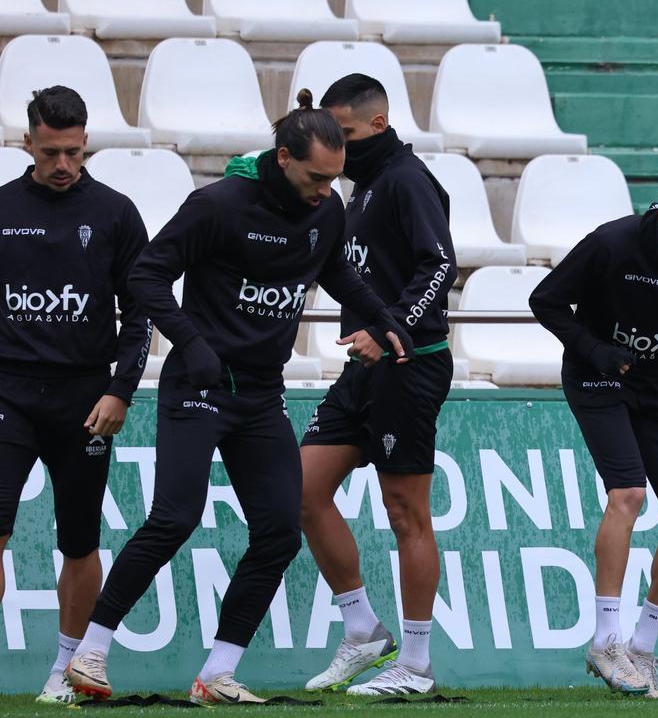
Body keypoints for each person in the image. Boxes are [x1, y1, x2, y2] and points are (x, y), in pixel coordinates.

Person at [65, 92, 410, 705]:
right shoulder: (217, 206)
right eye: (315, 177)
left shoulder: (326, 208)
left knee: (278, 532)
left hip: (260, 394)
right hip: (199, 386)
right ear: (282, 158)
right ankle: (91, 651)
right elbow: (146, 273)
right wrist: (190, 341)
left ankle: (216, 673)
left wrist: (384, 316)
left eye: (335, 178)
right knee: (174, 518)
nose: (327, 190)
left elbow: (335, 270)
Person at [529, 166, 658, 699]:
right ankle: (605, 640)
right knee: (629, 494)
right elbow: (545, 301)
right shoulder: (611, 244)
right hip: (598, 375)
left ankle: (641, 647)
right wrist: (595, 349)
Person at [299, 74, 457, 696]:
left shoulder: (408, 180)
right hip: (363, 367)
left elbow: (440, 263)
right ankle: (363, 628)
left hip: (409, 364)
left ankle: (414, 666)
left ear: (379, 126)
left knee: (405, 512)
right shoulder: (359, 187)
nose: (336, 143)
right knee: (302, 490)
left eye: (345, 132)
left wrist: (390, 329)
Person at [0, 86, 150, 705]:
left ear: (86, 142)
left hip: (86, 400)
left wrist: (121, 391)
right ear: (27, 142)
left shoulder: (116, 213)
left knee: (80, 540)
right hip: (8, 391)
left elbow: (141, 313)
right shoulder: (3, 207)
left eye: (73, 152)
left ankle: (66, 670)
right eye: (51, 152)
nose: (63, 165)